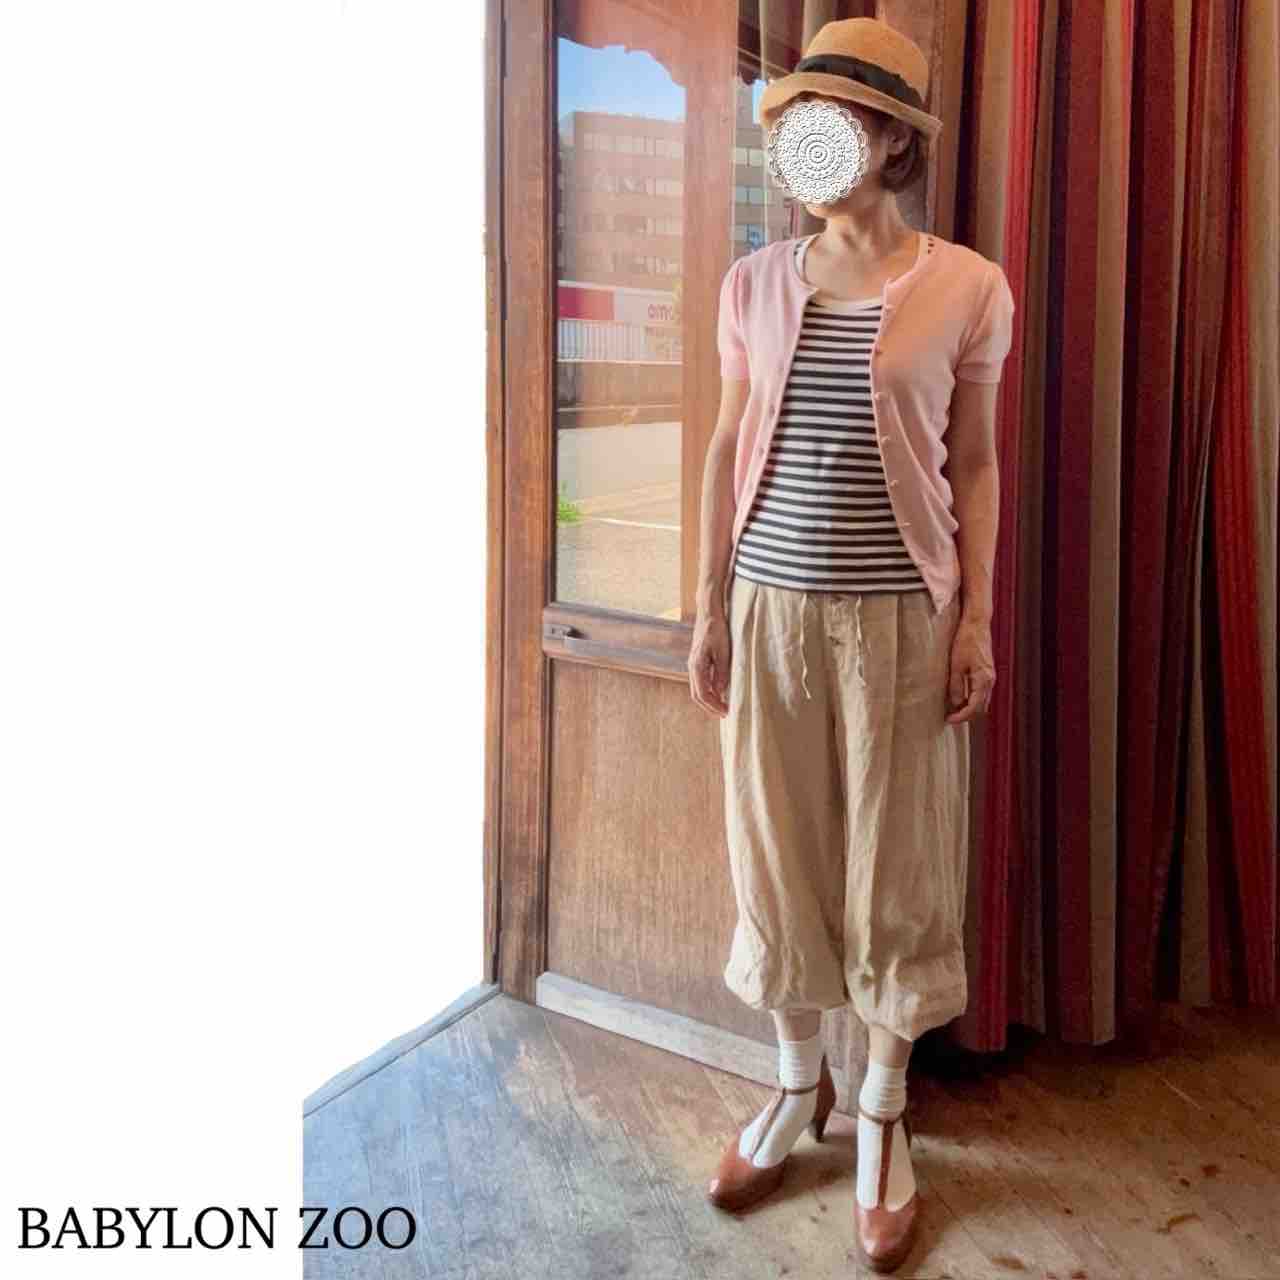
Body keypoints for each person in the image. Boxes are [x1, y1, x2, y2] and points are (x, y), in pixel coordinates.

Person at [688, 17, 1014, 1274]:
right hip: (768, 610)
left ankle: (881, 1107)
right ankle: (793, 1082)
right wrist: (707, 605)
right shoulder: (750, 283)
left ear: (886, 140)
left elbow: (972, 463)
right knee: (774, 848)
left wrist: (974, 614)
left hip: (898, 618)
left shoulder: (966, 284)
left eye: (825, 124)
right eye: (787, 127)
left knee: (896, 861)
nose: (799, 147)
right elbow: (727, 446)